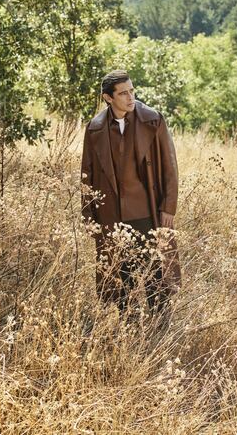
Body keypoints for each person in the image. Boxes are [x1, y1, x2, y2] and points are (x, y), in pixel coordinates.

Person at [81, 70, 181, 317]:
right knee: (121, 277)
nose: (130, 97)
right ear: (108, 97)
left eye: (131, 91)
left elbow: (170, 165)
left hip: (147, 211)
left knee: (155, 277)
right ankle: (129, 329)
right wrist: (89, 217)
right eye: (123, 93)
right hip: (112, 215)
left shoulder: (152, 120)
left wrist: (168, 207)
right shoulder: (94, 129)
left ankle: (159, 329)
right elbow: (87, 174)